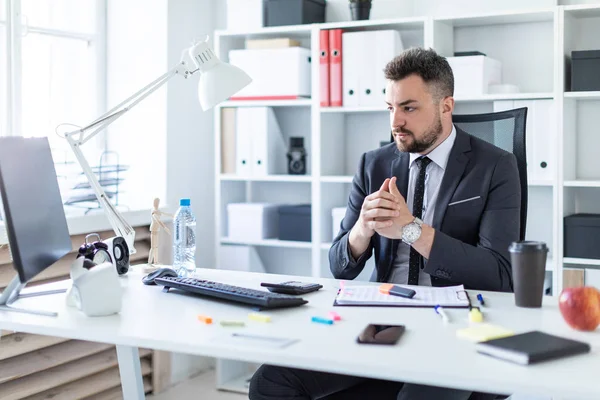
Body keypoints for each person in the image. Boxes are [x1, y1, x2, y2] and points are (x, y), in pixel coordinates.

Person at [249, 47, 520, 400]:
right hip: (379, 318)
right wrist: (361, 229)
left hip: (452, 327)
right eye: (391, 108)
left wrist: (411, 231)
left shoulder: (496, 166)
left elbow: (499, 273)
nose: (395, 122)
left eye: (409, 108)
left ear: (446, 106)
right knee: (269, 383)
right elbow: (339, 267)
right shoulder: (373, 165)